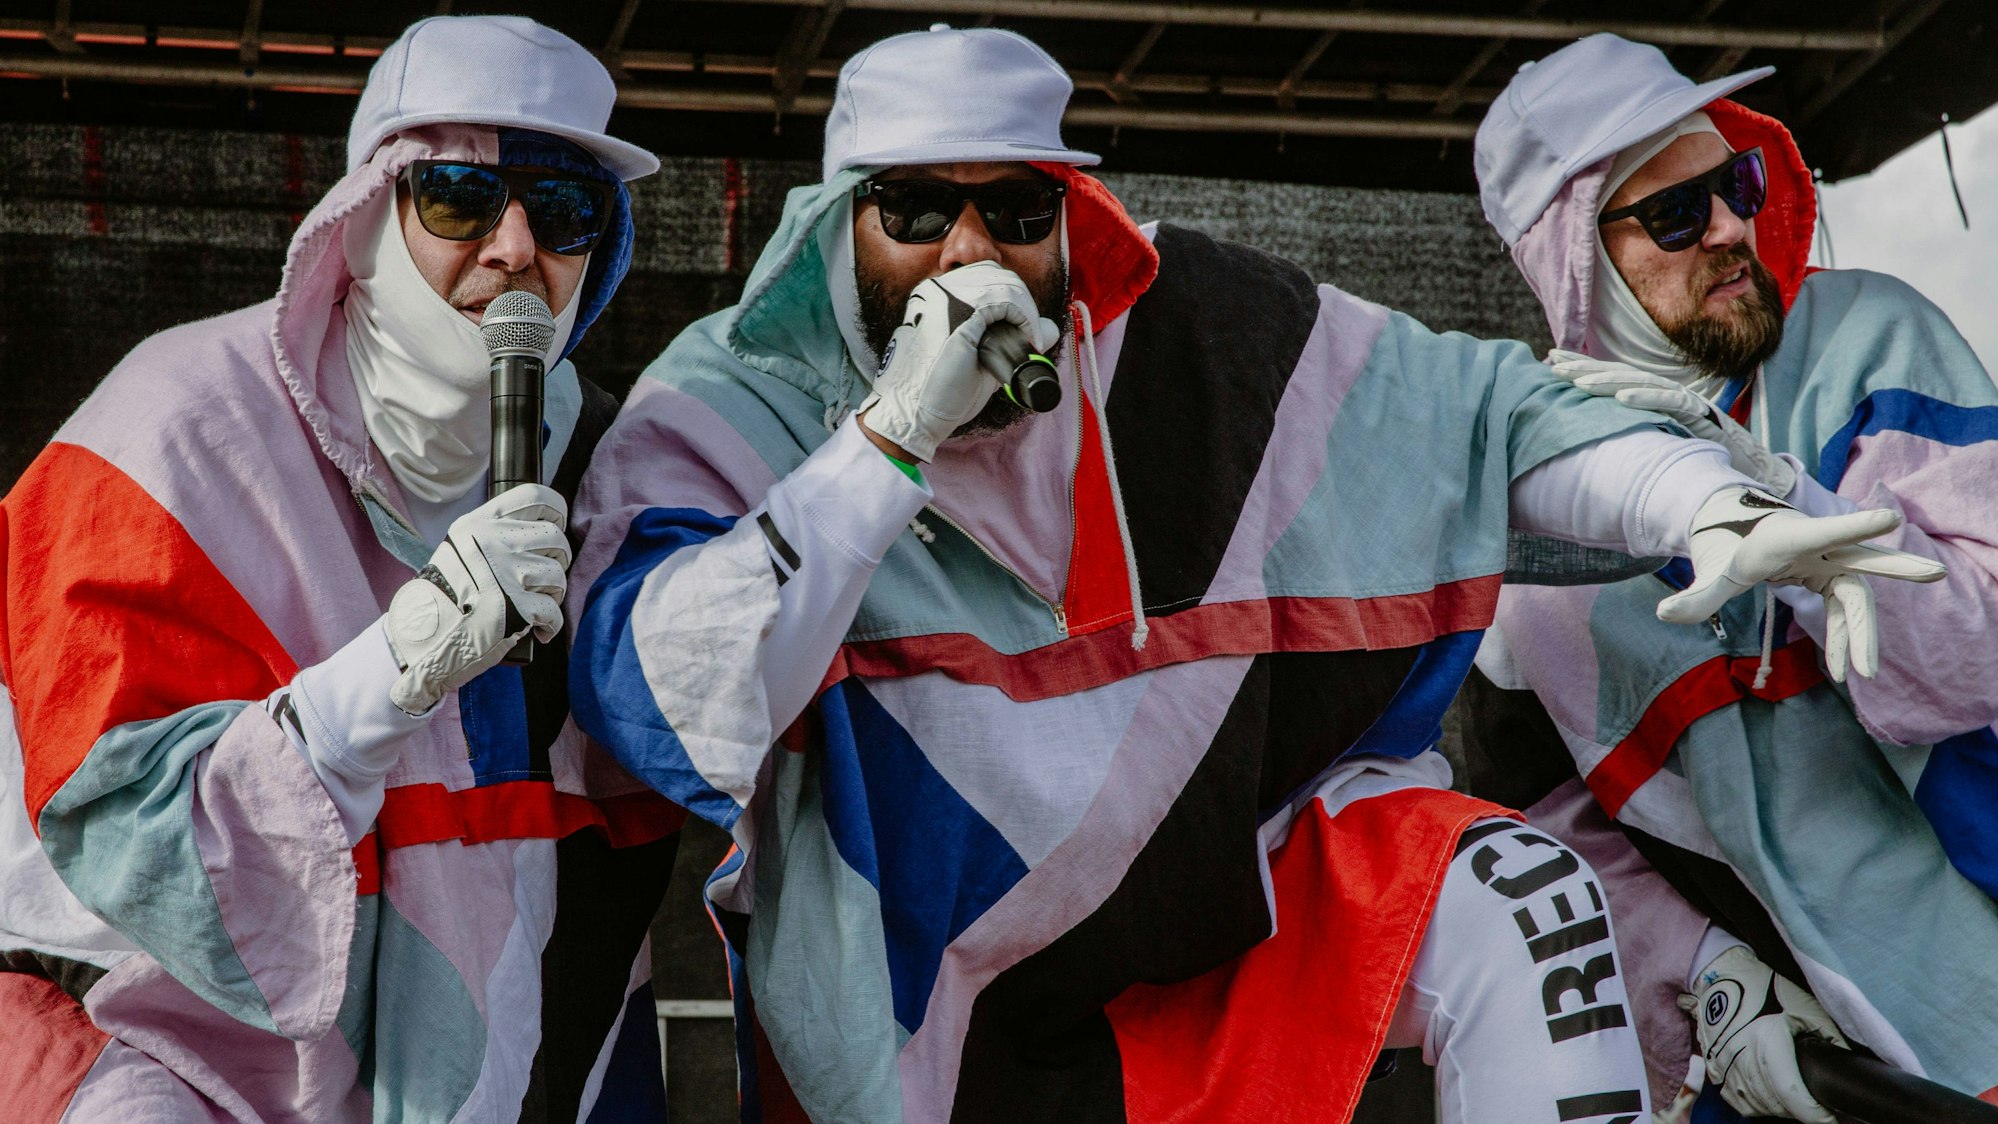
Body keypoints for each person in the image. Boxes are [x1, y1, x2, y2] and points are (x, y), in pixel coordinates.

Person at [567, 27, 1937, 1123]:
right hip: (915, 991)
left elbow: (1482, 412)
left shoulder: (1196, 334)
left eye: (1013, 207)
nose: (968, 256)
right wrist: (885, 442)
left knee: (1525, 897)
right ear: (836, 230)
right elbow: (666, 700)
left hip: (1216, 928)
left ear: (1074, 218)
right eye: (916, 211)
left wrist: (1693, 495)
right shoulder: (733, 398)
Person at [0, 16, 682, 1122]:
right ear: (364, 221)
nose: (515, 249)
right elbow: (118, 843)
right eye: (460, 197)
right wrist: (400, 666)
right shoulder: (169, 429)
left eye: (564, 211)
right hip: (178, 1057)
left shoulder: (605, 456)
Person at [1467, 32, 1998, 1118]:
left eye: (1735, 184)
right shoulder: (1524, 536)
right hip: (1808, 1068)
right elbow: (1537, 837)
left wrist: (1785, 503)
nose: (1727, 228)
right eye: (1674, 213)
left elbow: (1986, 655)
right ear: (1571, 257)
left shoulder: (1870, 339)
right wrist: (1708, 978)